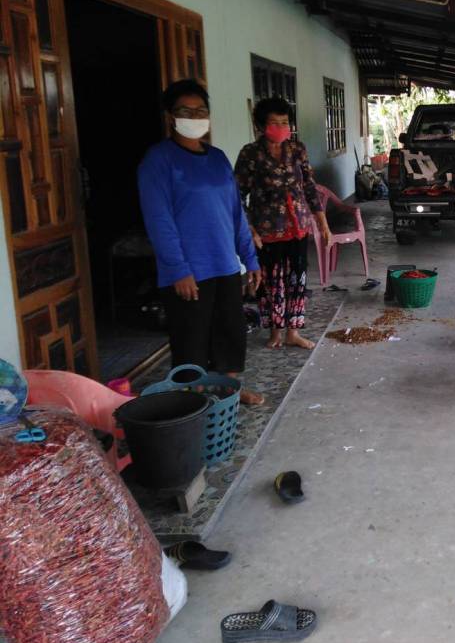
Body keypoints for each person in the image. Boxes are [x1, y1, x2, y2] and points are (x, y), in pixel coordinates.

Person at [138, 80, 264, 404]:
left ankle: (229, 392)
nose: (194, 117)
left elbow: (236, 213)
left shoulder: (218, 158)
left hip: (225, 264)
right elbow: (159, 221)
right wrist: (178, 269)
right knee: (191, 339)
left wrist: (249, 258)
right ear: (171, 116)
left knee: (230, 332)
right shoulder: (158, 161)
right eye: (186, 111)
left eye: (201, 111)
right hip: (188, 271)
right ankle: (195, 401)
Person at [234, 97, 330, 350]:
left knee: (297, 279)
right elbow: (236, 195)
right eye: (274, 123)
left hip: (298, 226)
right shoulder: (250, 154)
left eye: (285, 122)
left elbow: (309, 187)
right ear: (261, 126)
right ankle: (275, 332)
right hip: (266, 230)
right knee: (271, 282)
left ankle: (293, 332)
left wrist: (323, 223)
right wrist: (248, 228)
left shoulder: (297, 149)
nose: (281, 127)